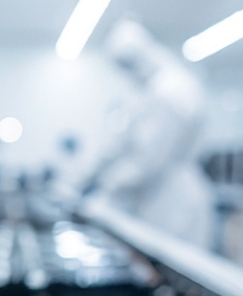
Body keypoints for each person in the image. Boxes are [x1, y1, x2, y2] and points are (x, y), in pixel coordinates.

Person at [81, 19, 214, 247]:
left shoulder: (168, 91)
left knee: (171, 272)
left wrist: (107, 188)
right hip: (166, 197)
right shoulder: (164, 87)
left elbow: (148, 160)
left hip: (172, 202)